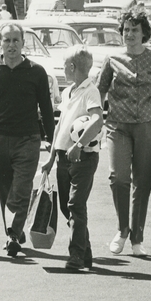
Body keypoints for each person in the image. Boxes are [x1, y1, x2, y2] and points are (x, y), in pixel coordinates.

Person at [98, 6, 151, 258]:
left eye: (134, 30)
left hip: (148, 127)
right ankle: (122, 230)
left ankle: (137, 239)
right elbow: (99, 91)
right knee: (118, 178)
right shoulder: (112, 59)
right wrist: (94, 122)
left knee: (142, 184)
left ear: (144, 34)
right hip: (117, 126)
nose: (129, 34)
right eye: (126, 30)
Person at [0, 22, 56, 258]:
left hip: (27, 140)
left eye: (15, 40)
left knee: (21, 189)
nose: (11, 45)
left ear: (23, 43)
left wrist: (52, 140)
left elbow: (46, 108)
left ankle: (12, 235)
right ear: (0, 43)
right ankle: (16, 229)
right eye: (7, 40)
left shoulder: (36, 72)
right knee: (5, 192)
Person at [39, 45, 104, 271]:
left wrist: (79, 145)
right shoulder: (68, 92)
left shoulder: (90, 92)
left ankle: (76, 255)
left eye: (65, 65)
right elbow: (60, 127)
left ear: (73, 66)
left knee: (76, 205)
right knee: (67, 208)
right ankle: (85, 252)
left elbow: (97, 120)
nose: (63, 69)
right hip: (62, 157)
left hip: (83, 158)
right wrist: (51, 158)